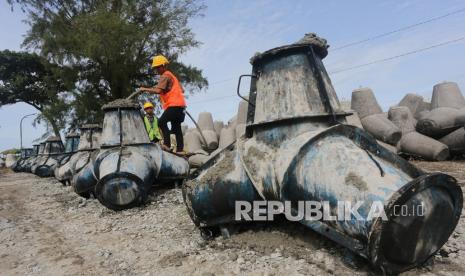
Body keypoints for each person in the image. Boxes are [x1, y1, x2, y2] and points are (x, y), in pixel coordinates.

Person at [139, 55, 186, 154]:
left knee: (161, 122)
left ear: (164, 65)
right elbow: (182, 89)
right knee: (177, 128)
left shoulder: (165, 75)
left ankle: (167, 145)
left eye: (158, 67)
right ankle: (180, 150)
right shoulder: (172, 76)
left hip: (173, 105)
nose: (156, 70)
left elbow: (158, 90)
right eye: (155, 68)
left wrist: (144, 89)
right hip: (181, 106)